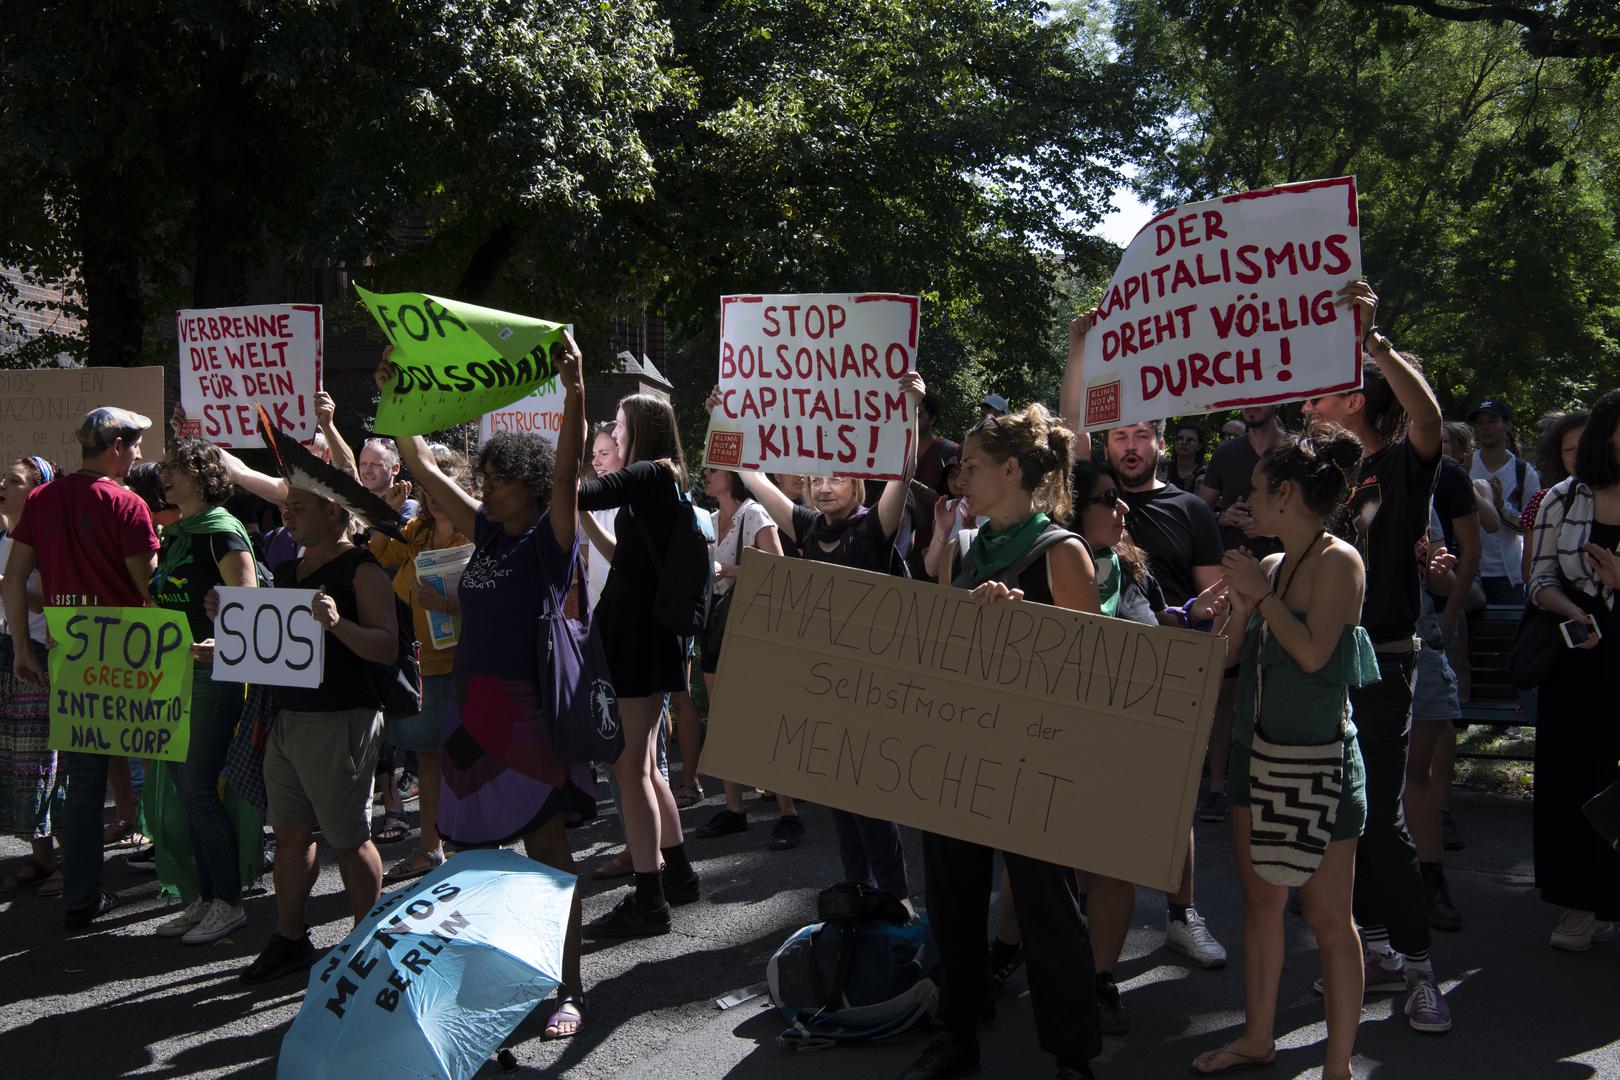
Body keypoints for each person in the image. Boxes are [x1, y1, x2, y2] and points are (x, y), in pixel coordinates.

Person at [387, 340, 597, 1036]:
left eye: (500, 480)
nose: (487, 489)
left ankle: (568, 990)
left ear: (531, 486)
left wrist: (575, 392)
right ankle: (498, 984)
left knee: (549, 859)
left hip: (529, 721)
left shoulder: (549, 538)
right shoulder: (489, 533)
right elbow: (421, 464)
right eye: (484, 478)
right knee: (479, 859)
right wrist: (398, 394)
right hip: (471, 716)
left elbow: (567, 472)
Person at [900, 403, 1102, 1080]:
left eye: (973, 465)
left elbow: (1095, 676)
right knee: (953, 904)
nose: (960, 476)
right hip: (958, 754)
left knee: (1049, 910)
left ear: (1012, 470)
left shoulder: (1063, 553)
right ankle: (959, 1035)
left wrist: (1027, 632)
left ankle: (1072, 1057)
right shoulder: (959, 550)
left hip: (1034, 764)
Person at [1191, 427, 1373, 1080]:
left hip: (1320, 764)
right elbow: (1230, 654)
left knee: (1328, 918)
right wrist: (1234, 608)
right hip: (1256, 756)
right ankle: (1257, 1038)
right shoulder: (1269, 565)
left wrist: (1262, 597)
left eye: (1258, 489)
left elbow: (1316, 653)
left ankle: (1338, 1064)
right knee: (1261, 905)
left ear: (1286, 493)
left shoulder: (1340, 562)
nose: (1245, 501)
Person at [1301, 281, 1453, 1033]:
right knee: (1344, 814)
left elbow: (1429, 418)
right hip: (1324, 664)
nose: (1307, 403)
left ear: (1356, 400)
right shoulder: (1328, 478)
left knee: (1383, 821)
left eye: (1322, 392)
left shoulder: (1401, 465)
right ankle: (1377, 948)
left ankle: (1423, 971)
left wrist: (1376, 346)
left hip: (1385, 666)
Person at [1060, 313, 1229, 972]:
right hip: (1092, 683)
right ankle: (1087, 920)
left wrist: (1202, 636)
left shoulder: (1192, 510)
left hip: (1167, 679)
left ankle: (1183, 915)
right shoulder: (1084, 499)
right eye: (1119, 436)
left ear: (1160, 443)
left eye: (1141, 436)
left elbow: (1212, 599)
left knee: (1172, 807)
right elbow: (1070, 426)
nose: (1129, 447)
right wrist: (1079, 347)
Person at [728, 373, 927, 908]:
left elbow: (903, 473)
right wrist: (729, 417)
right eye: (814, 479)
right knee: (840, 801)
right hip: (826, 687)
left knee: (871, 803)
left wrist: (910, 409)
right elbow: (751, 475)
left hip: (874, 689)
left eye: (836, 477)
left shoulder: (872, 530)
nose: (823, 487)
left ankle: (897, 902)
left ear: (858, 483)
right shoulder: (810, 529)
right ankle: (858, 897)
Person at [233, 479, 399, 982]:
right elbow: (270, 644)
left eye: (299, 507)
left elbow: (387, 647)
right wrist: (228, 628)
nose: (287, 515)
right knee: (289, 835)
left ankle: (367, 948)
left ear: (332, 512)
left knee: (349, 838)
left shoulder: (361, 569)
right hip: (289, 720)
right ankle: (290, 940)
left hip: (341, 720)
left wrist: (338, 624)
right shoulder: (289, 571)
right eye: (286, 507)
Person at [3, 408, 160, 930]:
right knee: (163, 759)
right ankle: (185, 879)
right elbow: (147, 586)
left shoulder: (43, 499)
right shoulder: (128, 503)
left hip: (68, 653)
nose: (138, 455)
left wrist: (23, 648)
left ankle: (82, 897)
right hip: (130, 654)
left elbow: (13, 577)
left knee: (85, 778)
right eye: (135, 445)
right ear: (115, 447)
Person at [578, 392, 707, 939]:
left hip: (638, 639)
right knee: (645, 766)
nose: (614, 434)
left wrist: (571, 436)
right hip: (647, 637)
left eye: (620, 424)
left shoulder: (650, 472)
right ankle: (678, 876)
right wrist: (587, 521)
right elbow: (625, 559)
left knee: (629, 767)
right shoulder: (663, 480)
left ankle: (650, 900)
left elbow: (583, 489)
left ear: (642, 428)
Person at [144, 439, 261, 945]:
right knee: (184, 793)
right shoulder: (176, 534)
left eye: (176, 468)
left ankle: (228, 902)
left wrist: (222, 642)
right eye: (166, 467)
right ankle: (204, 896)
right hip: (171, 676)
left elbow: (250, 607)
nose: (165, 475)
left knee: (197, 790)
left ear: (204, 478)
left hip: (213, 679)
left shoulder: (222, 533)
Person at [1525, 388, 1620, 950]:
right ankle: (1580, 906)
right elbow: (1539, 581)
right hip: (1578, 661)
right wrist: (1574, 611)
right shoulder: (1560, 499)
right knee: (1572, 780)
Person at [369, 443, 476, 885]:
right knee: (430, 758)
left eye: (442, 488)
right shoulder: (415, 531)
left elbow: (495, 598)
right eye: (428, 491)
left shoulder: (477, 532)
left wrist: (446, 603)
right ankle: (430, 848)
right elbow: (378, 555)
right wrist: (388, 512)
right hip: (427, 662)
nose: (434, 499)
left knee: (469, 758)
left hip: (470, 661)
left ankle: (476, 848)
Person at [691, 467, 803, 850]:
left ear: (733, 475)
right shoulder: (708, 520)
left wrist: (730, 570)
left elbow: (779, 568)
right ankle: (734, 809)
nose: (706, 474)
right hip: (716, 624)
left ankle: (789, 814)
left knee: (764, 718)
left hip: (749, 624)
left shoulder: (753, 513)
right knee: (724, 720)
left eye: (714, 469)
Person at [1195, 405, 1288, 824]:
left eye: (1260, 395)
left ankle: (1271, 789)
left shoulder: (1297, 452)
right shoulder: (1227, 453)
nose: (1251, 403)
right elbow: (1198, 511)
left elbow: (1315, 518)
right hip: (1230, 583)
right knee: (1226, 689)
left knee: (1278, 684)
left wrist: (1269, 526)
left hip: (1284, 583)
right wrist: (1222, 516)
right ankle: (1218, 787)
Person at [0, 456, 63, 894]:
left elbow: (49, 598)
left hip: (39, 653)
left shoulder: (48, 539)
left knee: (44, 758)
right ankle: (41, 857)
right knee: (15, 759)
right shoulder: (6, 536)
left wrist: (10, 583)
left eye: (13, 481)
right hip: (7, 650)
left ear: (37, 490)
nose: (3, 486)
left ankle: (65, 860)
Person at [1407, 512, 1464, 932]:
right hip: (1349, 638)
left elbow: (1444, 585)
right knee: (1347, 771)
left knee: (1417, 773)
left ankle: (1431, 882)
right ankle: (1333, 878)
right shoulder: (1339, 490)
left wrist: (1439, 571)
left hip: (1416, 645)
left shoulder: (1422, 505)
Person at [1468, 399, 1538, 605]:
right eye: (1480, 422)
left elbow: (1530, 527)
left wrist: (1500, 505)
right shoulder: (1465, 465)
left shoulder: (1524, 473)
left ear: (1507, 425)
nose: (1485, 427)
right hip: (1469, 571)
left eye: (1491, 421)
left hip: (1508, 576)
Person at [1519, 411, 1589, 582]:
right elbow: (1531, 574)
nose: (1579, 456)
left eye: (1586, 445)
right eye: (1569, 449)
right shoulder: (1546, 500)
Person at [359, 437, 420, 521]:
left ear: (395, 469)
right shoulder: (352, 505)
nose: (367, 470)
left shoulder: (407, 508)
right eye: (363, 464)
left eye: (376, 464)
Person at [1161, 419, 1209, 493]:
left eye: (1190, 440)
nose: (1184, 442)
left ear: (1199, 446)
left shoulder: (1204, 474)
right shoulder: (1164, 469)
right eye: (1180, 439)